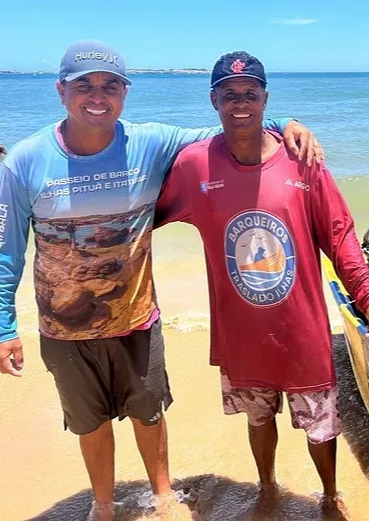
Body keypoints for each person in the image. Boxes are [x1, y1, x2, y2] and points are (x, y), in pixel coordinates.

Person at [0, 41, 321, 521]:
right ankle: (104, 505)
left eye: (110, 85)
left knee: (149, 413)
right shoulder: (23, 162)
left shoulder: (151, 142)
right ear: (61, 90)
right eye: (83, 85)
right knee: (89, 423)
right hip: (65, 329)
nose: (97, 96)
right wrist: (5, 327)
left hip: (137, 317)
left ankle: (164, 494)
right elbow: (7, 252)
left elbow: (227, 130)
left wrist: (285, 124)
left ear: (124, 93)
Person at [154, 51, 369, 514]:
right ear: (213, 101)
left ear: (266, 98)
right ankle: (266, 490)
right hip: (242, 333)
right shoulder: (193, 166)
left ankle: (330, 496)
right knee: (257, 418)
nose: (240, 104)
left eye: (250, 94)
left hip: (301, 329)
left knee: (321, 427)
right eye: (230, 95)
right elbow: (141, 219)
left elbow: (340, 235)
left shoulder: (303, 159)